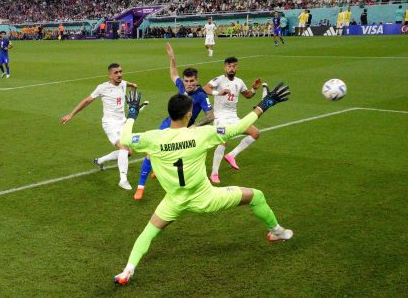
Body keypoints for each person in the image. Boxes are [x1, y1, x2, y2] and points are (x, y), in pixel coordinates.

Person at [114, 83, 292, 286]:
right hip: (206, 198)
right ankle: (276, 231)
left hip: (173, 201)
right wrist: (264, 104)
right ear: (189, 114)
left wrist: (132, 114)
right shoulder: (203, 134)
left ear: (170, 113)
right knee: (256, 196)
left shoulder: (153, 138)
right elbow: (240, 127)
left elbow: (125, 137)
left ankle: (127, 271)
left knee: (148, 232)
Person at [134, 43, 214, 200]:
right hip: (168, 123)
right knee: (151, 152)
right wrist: (172, 57)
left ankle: (161, 171)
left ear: (197, 80)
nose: (189, 84)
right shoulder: (182, 87)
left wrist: (194, 126)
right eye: (186, 81)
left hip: (185, 129)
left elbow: (211, 116)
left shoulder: (201, 95)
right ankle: (140, 187)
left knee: (178, 154)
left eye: (192, 81)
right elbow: (173, 73)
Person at [60, 64, 138, 190]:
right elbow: (86, 101)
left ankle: (100, 161)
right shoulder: (102, 88)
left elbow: (126, 83)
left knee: (128, 152)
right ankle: (123, 180)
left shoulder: (123, 83)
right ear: (110, 75)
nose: (119, 74)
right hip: (110, 123)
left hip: (122, 122)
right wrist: (71, 114)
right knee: (123, 149)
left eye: (120, 72)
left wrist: (133, 85)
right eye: (116, 72)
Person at [203, 57, 262, 184]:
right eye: (229, 66)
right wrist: (218, 93)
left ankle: (231, 155)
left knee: (255, 133)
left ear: (237, 67)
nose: (232, 68)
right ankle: (214, 174)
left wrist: (254, 89)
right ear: (225, 67)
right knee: (223, 140)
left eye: (234, 66)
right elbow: (205, 88)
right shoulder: (219, 79)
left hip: (234, 118)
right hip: (220, 118)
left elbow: (247, 95)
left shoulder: (239, 82)